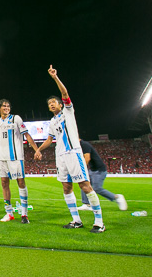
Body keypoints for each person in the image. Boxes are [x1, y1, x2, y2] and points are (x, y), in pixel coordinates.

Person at [34, 65, 105, 233]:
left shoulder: (68, 111)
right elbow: (50, 140)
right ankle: (76, 220)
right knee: (66, 187)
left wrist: (55, 78)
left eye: (54, 102)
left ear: (60, 104)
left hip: (74, 153)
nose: (51, 105)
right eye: (49, 104)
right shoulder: (52, 122)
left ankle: (99, 222)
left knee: (85, 185)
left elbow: (65, 94)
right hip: (61, 156)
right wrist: (39, 150)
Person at [0, 100, 39, 224]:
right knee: (4, 184)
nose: (6, 108)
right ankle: (9, 213)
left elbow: (26, 134)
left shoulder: (16, 119)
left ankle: (24, 215)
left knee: (21, 182)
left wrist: (36, 149)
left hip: (16, 158)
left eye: (8, 106)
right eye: (4, 106)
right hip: (2, 158)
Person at [77, 140, 127, 211]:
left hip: (99, 170)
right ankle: (86, 204)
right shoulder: (79, 146)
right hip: (92, 170)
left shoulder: (84, 144)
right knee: (84, 184)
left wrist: (81, 169)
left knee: (97, 188)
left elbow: (87, 158)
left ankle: (116, 197)